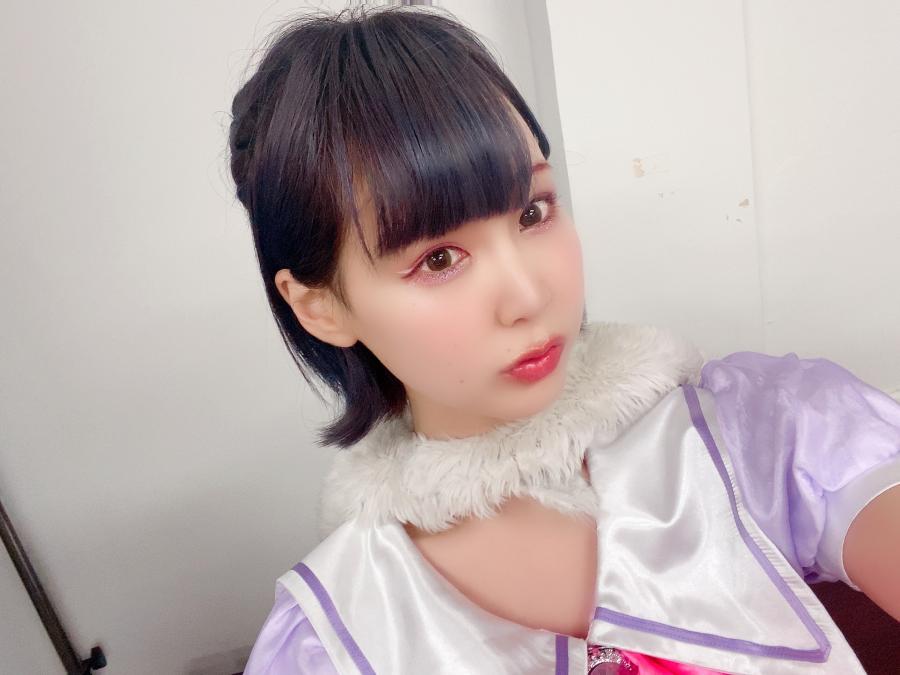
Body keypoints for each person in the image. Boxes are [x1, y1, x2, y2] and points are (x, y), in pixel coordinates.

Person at [227, 5, 900, 673]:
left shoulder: (760, 434)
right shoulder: (332, 639)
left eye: (532, 211)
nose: (528, 295)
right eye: (439, 258)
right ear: (320, 307)